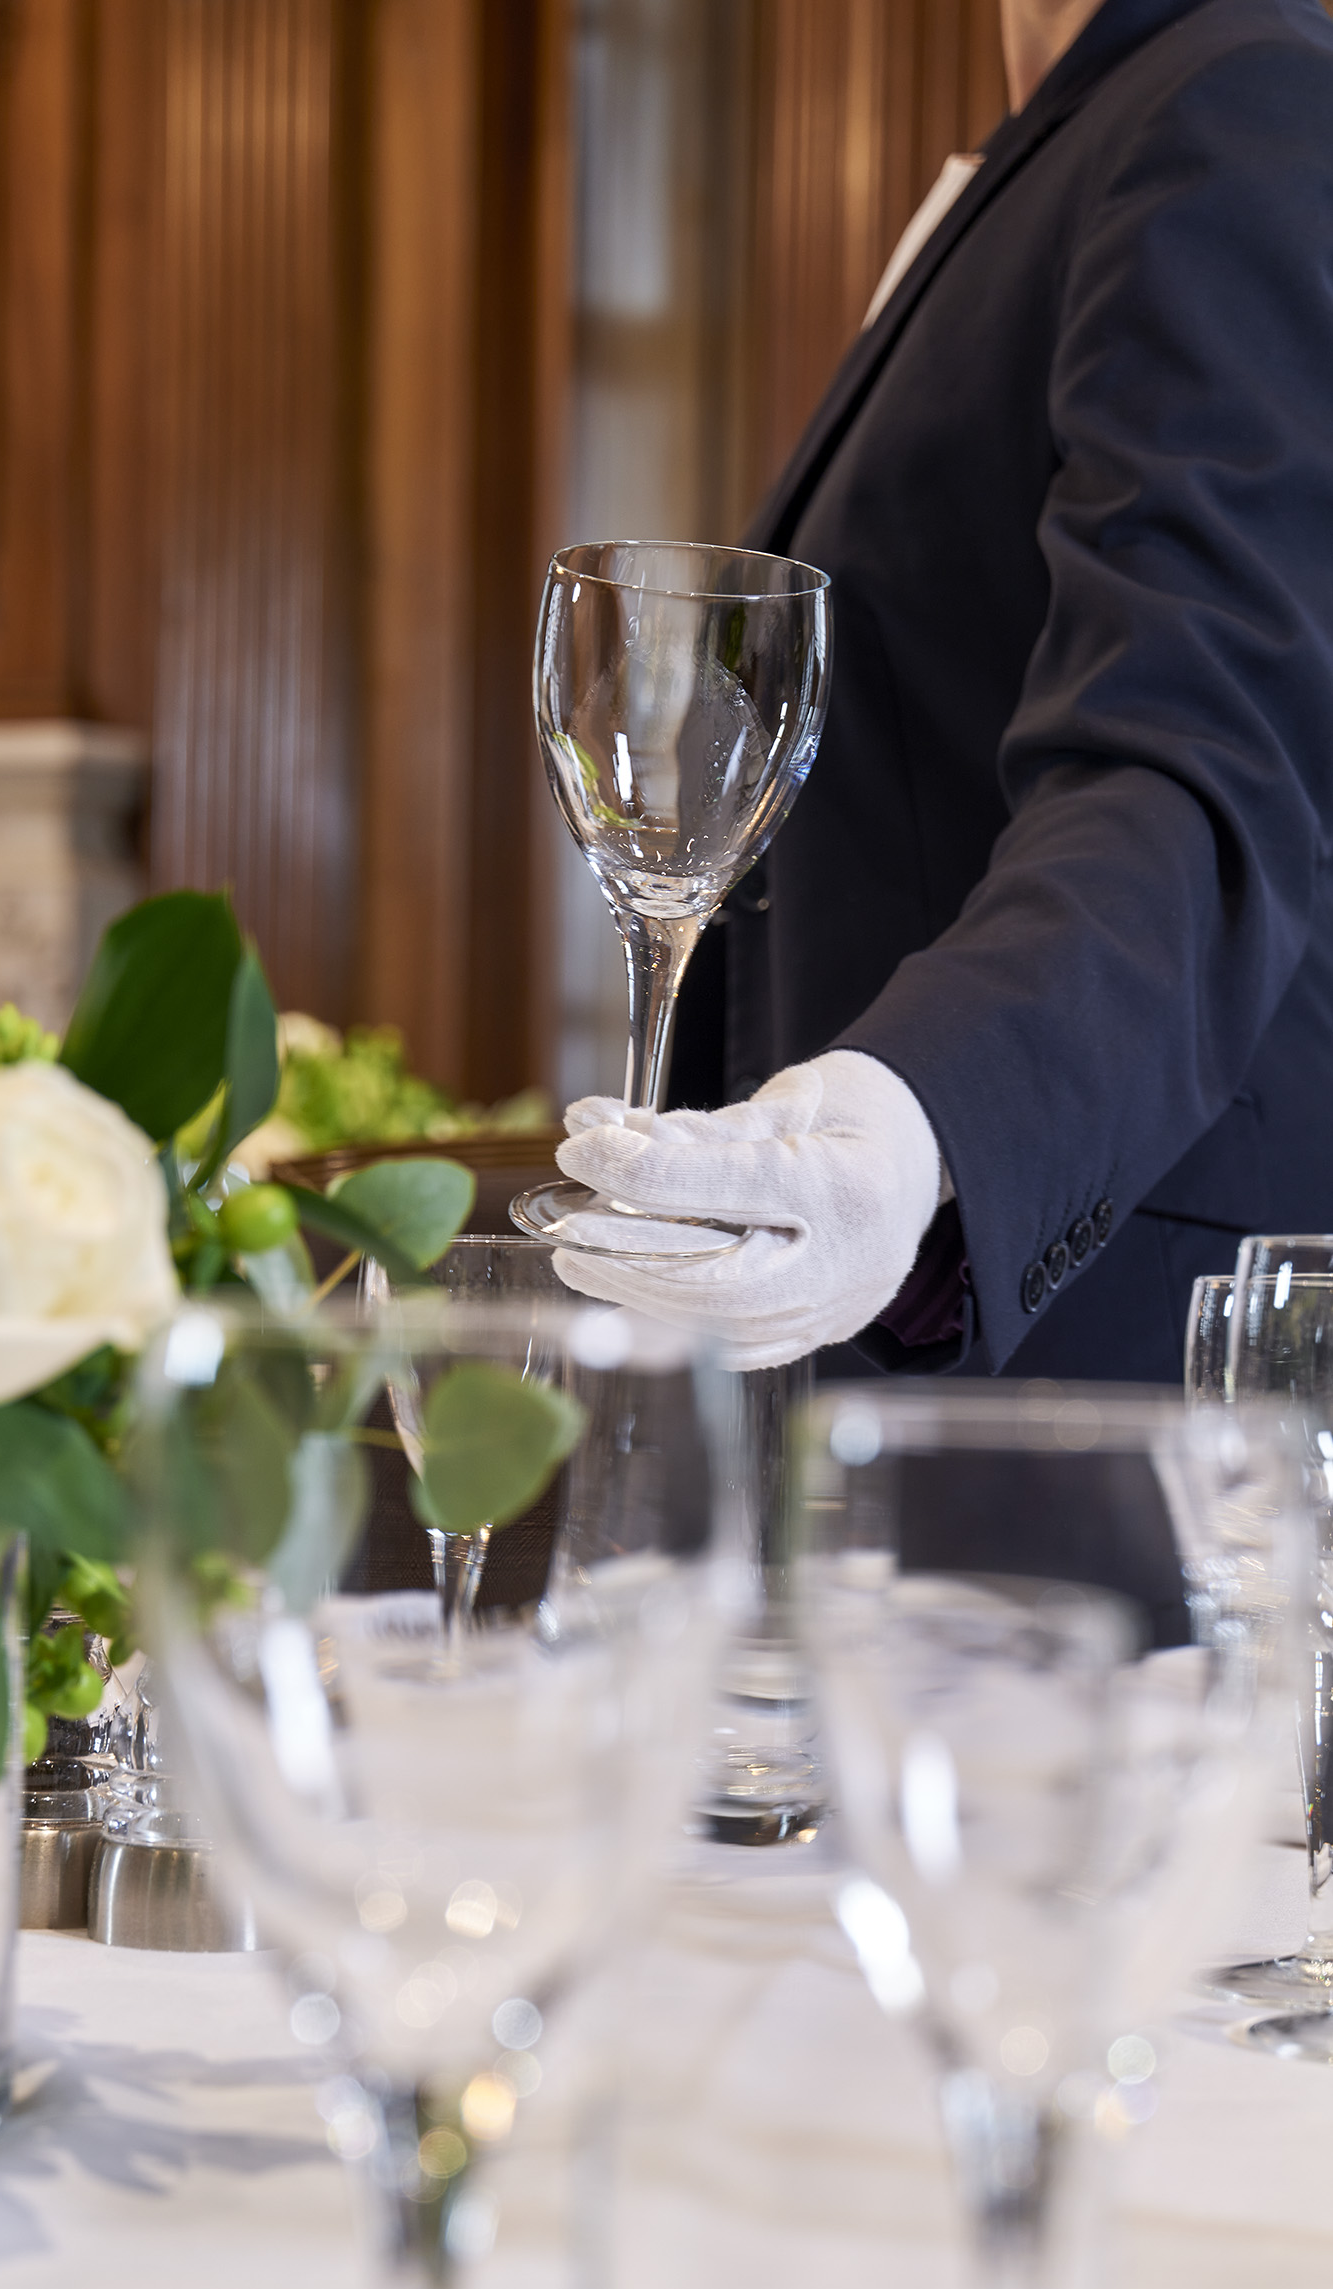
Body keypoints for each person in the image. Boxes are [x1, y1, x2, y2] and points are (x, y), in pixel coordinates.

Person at [553, 0, 1333, 1384]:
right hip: (902, 1361)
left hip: (1091, 1379)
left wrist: (915, 1121)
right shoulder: (1067, 142)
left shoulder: (1240, 99)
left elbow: (1194, 764)